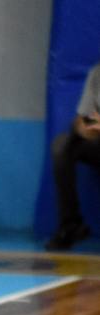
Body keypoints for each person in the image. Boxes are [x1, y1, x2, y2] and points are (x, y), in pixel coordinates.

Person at [46, 61, 100, 251]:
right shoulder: (97, 73)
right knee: (63, 145)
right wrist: (88, 126)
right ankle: (71, 224)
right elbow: (83, 119)